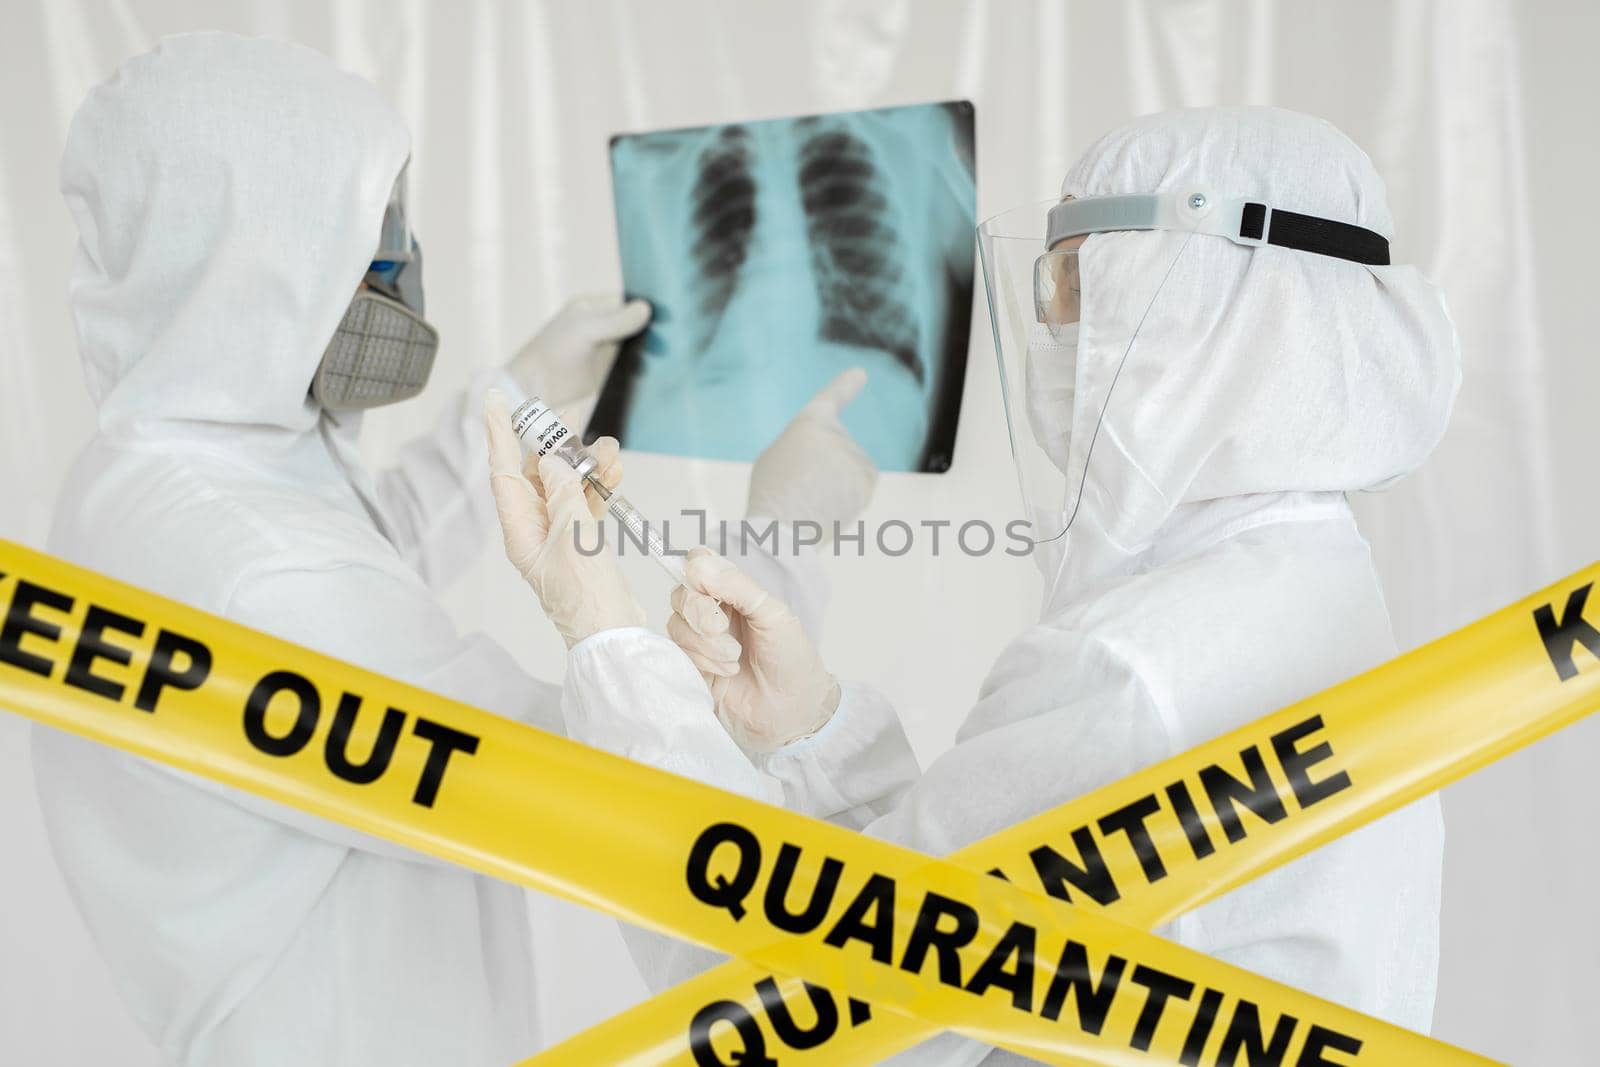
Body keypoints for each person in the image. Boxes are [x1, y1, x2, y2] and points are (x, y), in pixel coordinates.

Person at [490, 106, 1460, 1061]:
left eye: (1079, 281)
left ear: (1200, 302)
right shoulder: (1302, 585)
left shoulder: (1134, 669)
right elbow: (950, 922)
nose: (1053, 324)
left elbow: (805, 1007)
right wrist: (810, 726)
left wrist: (599, 626)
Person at [30, 32, 874, 1067]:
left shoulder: (149, 472)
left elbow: (365, 555)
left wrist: (514, 395)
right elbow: (618, 800)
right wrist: (780, 543)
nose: (405, 269)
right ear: (261, 259)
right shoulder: (259, 569)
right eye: (370, 237)